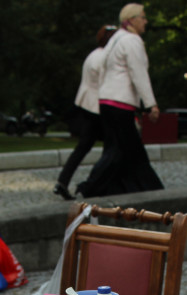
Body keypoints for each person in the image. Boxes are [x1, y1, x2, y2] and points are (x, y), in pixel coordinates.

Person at [75, 3, 163, 198]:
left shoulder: (115, 39)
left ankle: (125, 188)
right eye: (142, 17)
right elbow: (139, 74)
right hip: (120, 103)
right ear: (131, 20)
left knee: (122, 149)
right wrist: (150, 105)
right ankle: (90, 187)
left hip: (107, 101)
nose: (145, 21)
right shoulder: (132, 41)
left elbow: (102, 67)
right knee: (120, 150)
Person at [54, 24, 117, 201]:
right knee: (111, 147)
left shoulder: (93, 55)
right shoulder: (104, 58)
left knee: (84, 146)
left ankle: (63, 180)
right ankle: (96, 183)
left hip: (88, 104)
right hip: (99, 106)